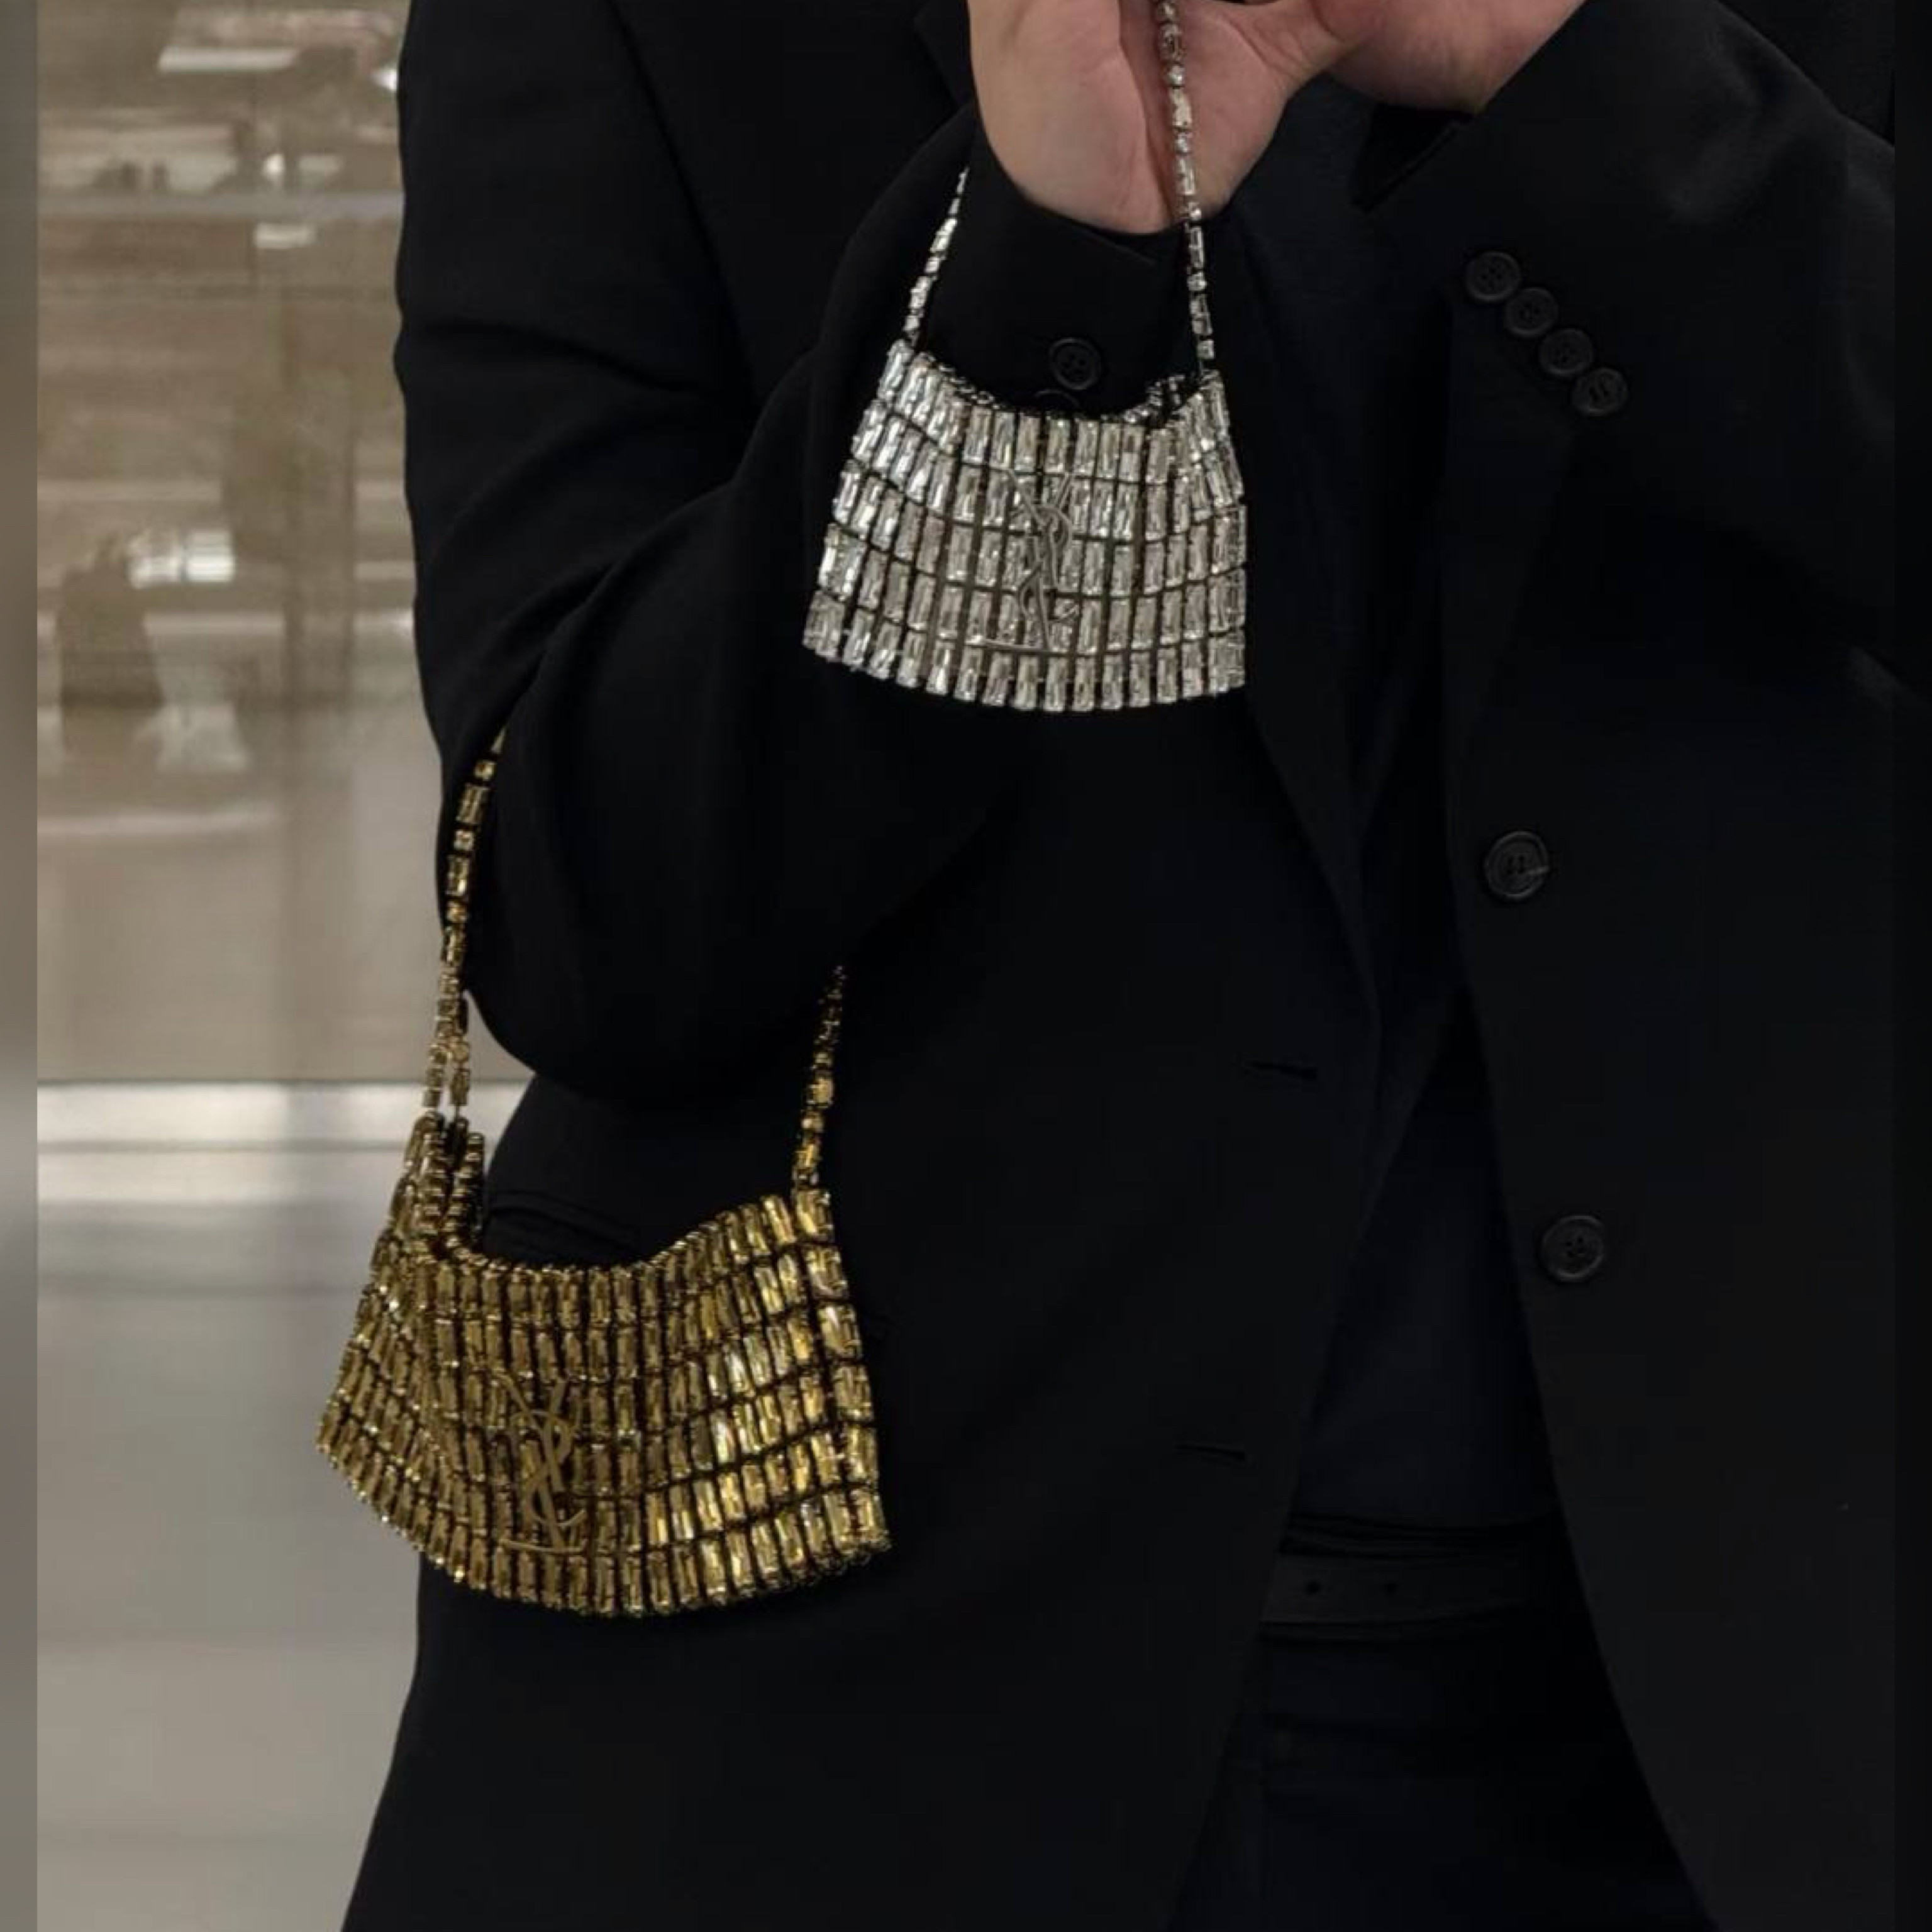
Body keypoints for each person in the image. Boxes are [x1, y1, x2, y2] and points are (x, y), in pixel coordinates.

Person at [340, 1, 1897, 1928]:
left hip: (1743, 1727)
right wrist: (1031, 289)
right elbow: (585, 918)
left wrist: (1560, 70)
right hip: (830, 1723)